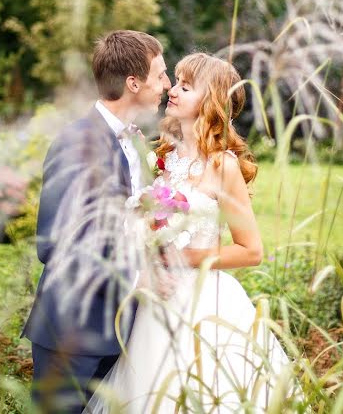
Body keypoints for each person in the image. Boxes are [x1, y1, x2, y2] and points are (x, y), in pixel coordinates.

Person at [86, 53, 296, 413]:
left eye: (186, 85)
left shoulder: (223, 165)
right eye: (176, 81)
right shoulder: (164, 157)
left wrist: (182, 257)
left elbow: (251, 251)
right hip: (156, 301)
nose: (173, 90)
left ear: (210, 100)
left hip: (203, 303)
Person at [21, 30, 171, 412]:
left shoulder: (138, 145)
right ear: (133, 83)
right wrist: (138, 279)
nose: (167, 86)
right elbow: (54, 244)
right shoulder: (77, 143)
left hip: (126, 332)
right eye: (160, 75)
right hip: (75, 335)